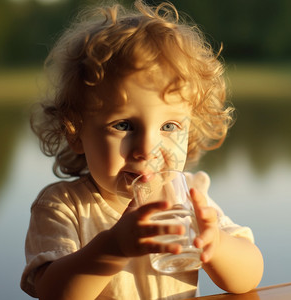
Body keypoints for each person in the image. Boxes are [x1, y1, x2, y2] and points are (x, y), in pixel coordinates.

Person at [20, 1, 263, 299]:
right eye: (123, 126)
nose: (147, 149)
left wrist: (217, 246)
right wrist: (113, 248)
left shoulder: (187, 196)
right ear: (76, 132)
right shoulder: (64, 207)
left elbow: (249, 277)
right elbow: (52, 292)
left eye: (169, 126)